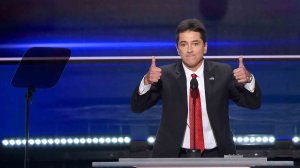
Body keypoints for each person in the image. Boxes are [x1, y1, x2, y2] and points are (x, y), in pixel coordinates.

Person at [131, 18, 261, 158]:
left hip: (216, 154)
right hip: (174, 155)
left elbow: (252, 103)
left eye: (195, 44)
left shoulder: (223, 72)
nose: (190, 50)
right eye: (184, 44)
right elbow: (137, 107)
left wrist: (249, 80)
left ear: (205, 47)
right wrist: (147, 80)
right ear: (177, 49)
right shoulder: (164, 75)